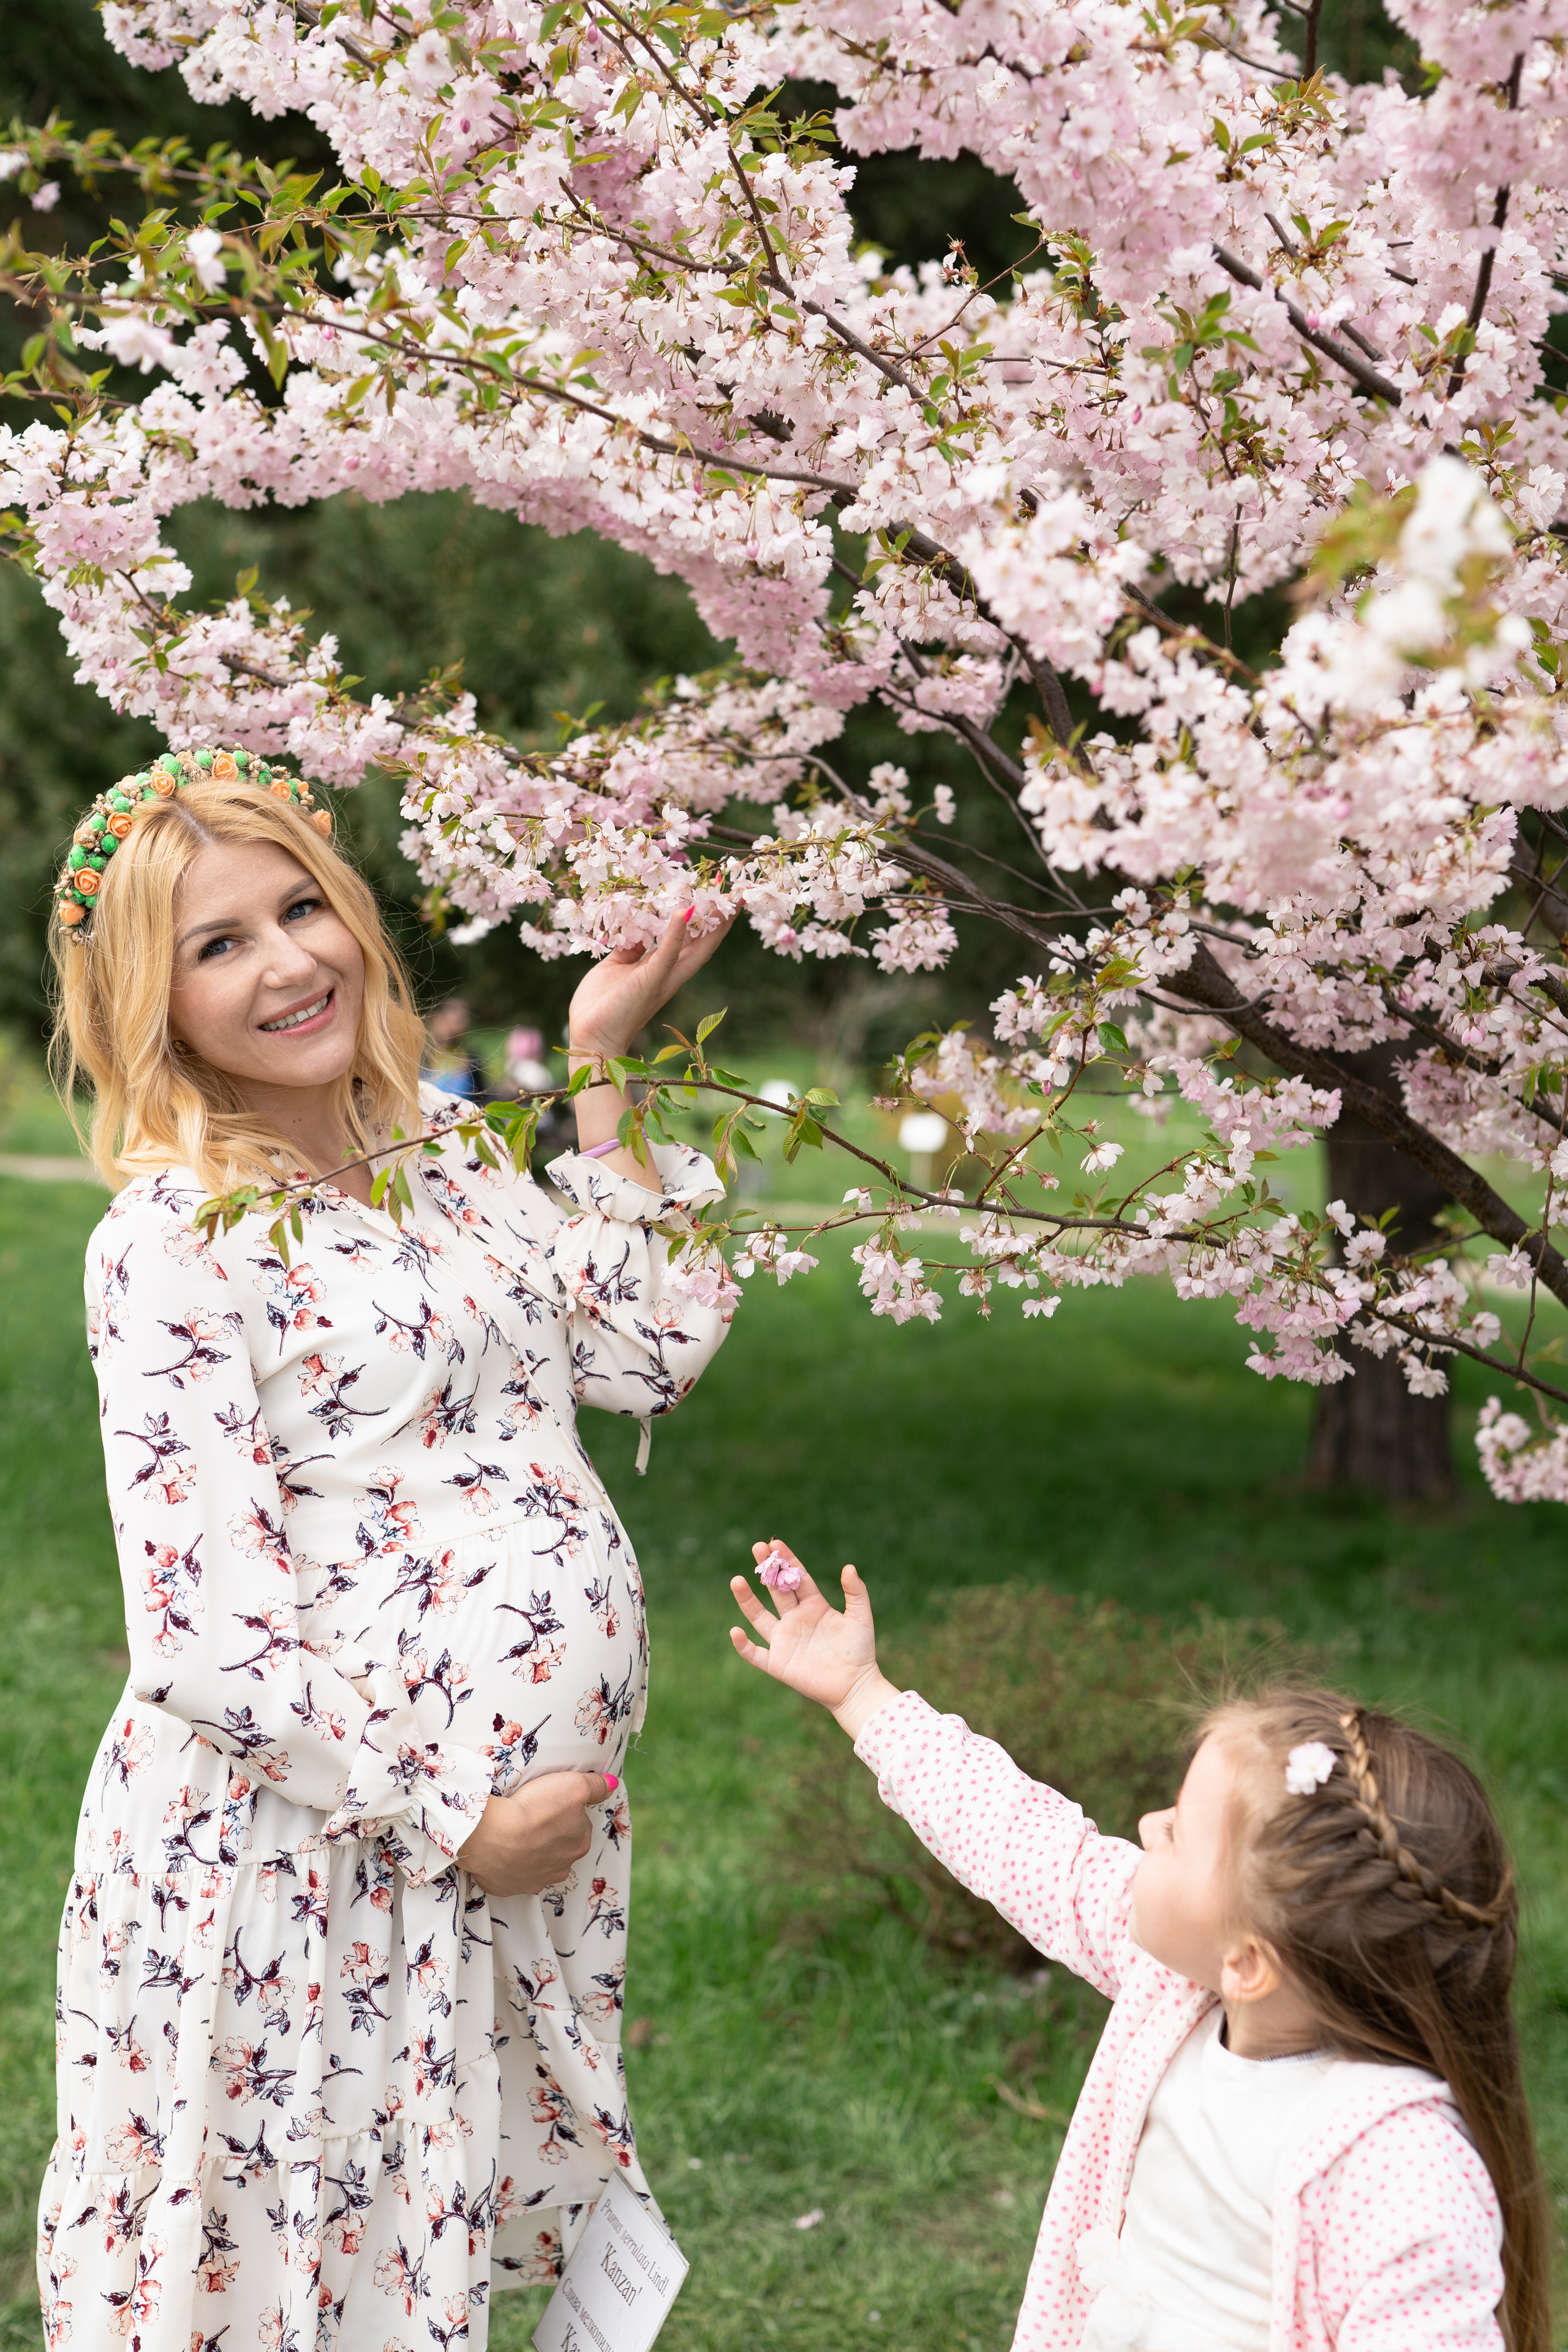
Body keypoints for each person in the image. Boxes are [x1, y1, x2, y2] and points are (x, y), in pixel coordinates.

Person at [39, 744, 734, 2352]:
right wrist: (452, 1818)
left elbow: (655, 1345)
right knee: (288, 2259)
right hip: (314, 1848)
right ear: (155, 1001)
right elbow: (204, 1637)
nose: (288, 962)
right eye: (218, 944)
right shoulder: (171, 1241)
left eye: (300, 908)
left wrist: (604, 1059)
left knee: (423, 2238)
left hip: (496, 1858)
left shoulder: (449, 1154)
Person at [728, 1541, 1550, 2352]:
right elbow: (1025, 1839)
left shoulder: (1401, 2169)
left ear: (1250, 1962)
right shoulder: (1182, 1990)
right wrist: (863, 1694)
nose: (1148, 1828)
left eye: (1180, 1834)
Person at [422, 993, 489, 1102]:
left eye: (460, 1021)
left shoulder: (470, 1059)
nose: (453, 1027)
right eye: (451, 1021)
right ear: (436, 1019)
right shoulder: (421, 1056)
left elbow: (484, 1097)